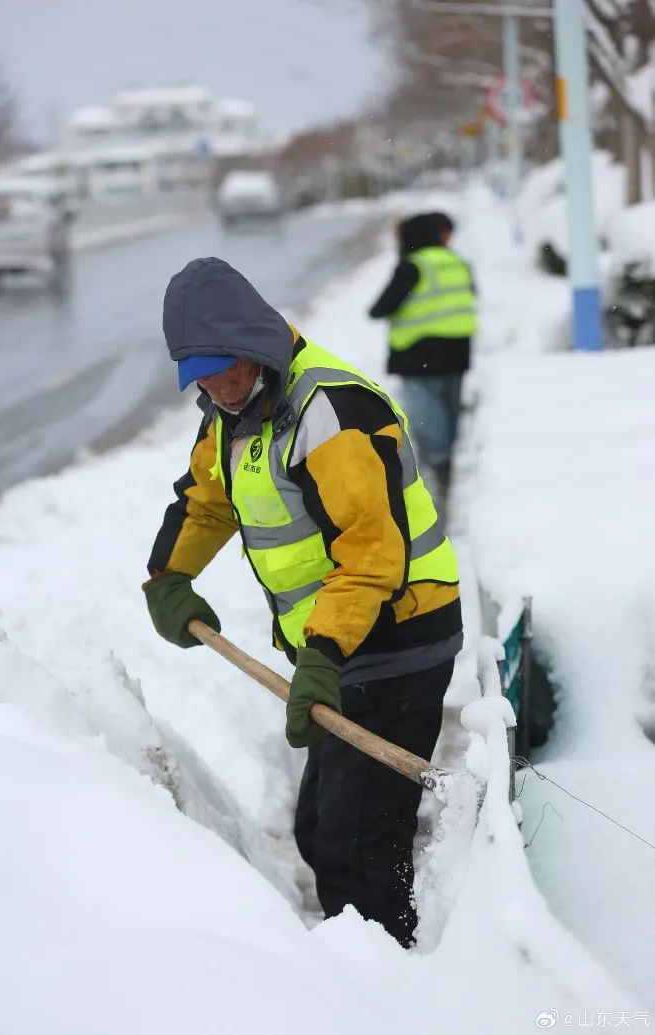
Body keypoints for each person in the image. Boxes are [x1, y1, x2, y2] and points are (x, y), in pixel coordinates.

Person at [143, 256, 463, 948]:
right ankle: (369, 956)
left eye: (222, 369)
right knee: (321, 828)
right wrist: (167, 577)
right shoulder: (231, 413)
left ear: (253, 347)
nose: (214, 387)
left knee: (358, 842)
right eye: (198, 375)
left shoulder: (332, 413)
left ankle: (389, 969)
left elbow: (373, 552)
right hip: (342, 643)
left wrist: (322, 652)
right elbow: (205, 501)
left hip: (397, 635)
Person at [368, 211, 477, 482]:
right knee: (449, 406)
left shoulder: (413, 265)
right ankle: (450, 460)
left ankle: (439, 464)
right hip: (458, 348)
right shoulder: (457, 262)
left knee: (426, 411)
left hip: (418, 354)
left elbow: (381, 308)